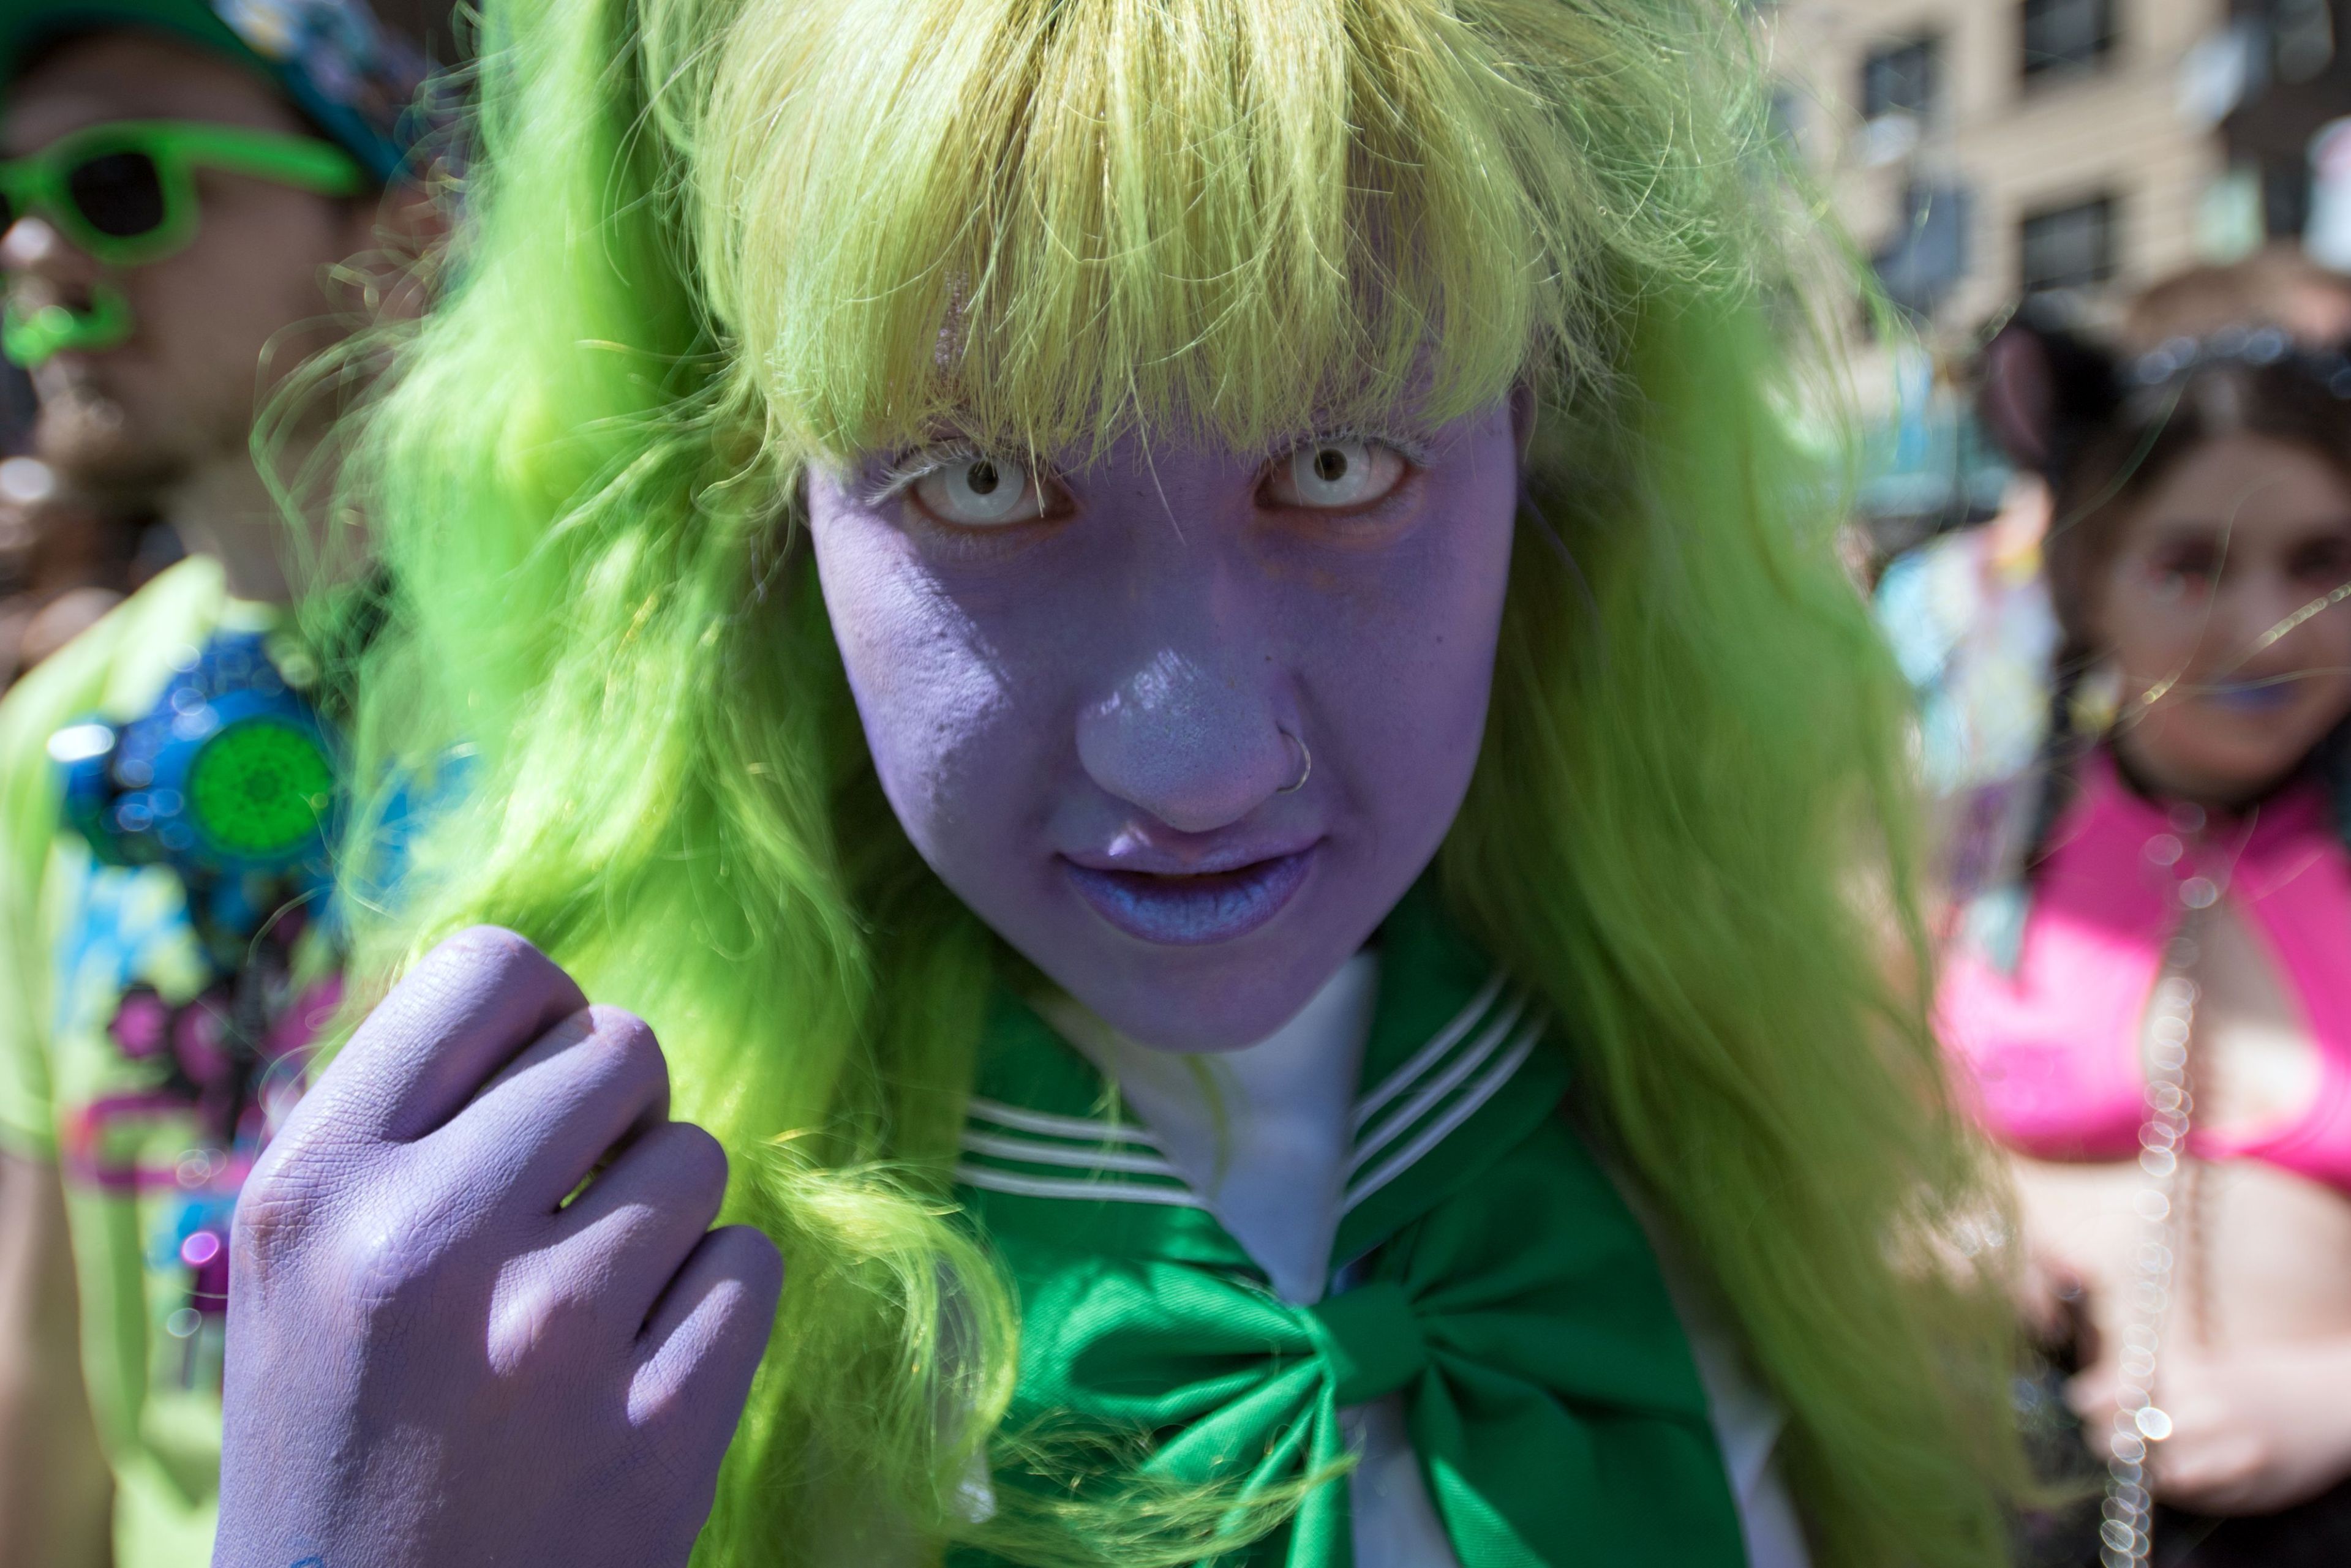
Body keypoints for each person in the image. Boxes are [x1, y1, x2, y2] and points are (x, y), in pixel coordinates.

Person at [211, 1, 2020, 1565]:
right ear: (763, 511)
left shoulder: (1706, 1138)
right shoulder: (571, 1330)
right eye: (975, 483)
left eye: (1338, 459)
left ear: (1538, 438)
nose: (1198, 757)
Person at [0, 4, 442, 1564]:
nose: (33, 257)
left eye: (120, 184)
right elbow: (47, 1338)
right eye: (12, 197)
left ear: (401, 244)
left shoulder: (603, 699)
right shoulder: (54, 727)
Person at [1942, 280, 2351, 1565]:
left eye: (2322, 563)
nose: (2261, 627)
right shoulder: (1958, 848)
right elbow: (1841, 1156)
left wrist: (2334, 1400)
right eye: (2190, 565)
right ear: (2089, 582)